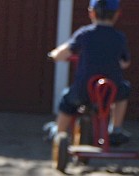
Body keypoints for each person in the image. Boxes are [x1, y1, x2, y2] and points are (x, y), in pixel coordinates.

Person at [46, 0, 132, 146]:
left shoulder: (85, 34)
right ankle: (116, 128)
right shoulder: (119, 37)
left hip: (84, 90)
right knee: (125, 89)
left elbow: (63, 53)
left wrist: (54, 55)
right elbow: (125, 63)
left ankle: (59, 132)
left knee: (67, 100)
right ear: (117, 14)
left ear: (91, 13)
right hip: (111, 90)